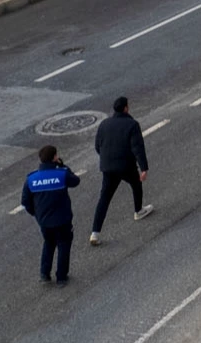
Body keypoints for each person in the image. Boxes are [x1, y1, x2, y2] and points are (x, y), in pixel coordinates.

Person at [90, 96, 153, 245]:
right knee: (136, 184)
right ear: (126, 108)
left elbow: (98, 145)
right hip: (125, 165)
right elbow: (137, 147)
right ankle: (138, 210)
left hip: (107, 167)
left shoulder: (104, 124)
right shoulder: (132, 125)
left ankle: (95, 232)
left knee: (104, 198)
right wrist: (144, 168)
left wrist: (107, 159)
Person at [22, 144, 80, 286]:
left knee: (48, 244)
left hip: (44, 221)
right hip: (63, 219)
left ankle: (44, 274)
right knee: (63, 245)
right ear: (55, 157)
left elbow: (26, 202)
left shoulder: (31, 179)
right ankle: (61, 277)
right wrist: (63, 166)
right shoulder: (62, 174)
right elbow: (75, 181)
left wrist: (37, 215)